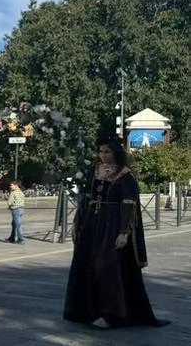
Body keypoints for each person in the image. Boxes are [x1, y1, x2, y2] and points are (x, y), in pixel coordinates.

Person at [63, 132, 170, 328]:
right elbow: (86, 198)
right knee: (87, 265)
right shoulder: (93, 170)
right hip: (92, 224)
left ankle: (112, 314)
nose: (103, 155)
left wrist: (124, 232)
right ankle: (86, 310)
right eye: (101, 151)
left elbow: (129, 204)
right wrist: (77, 223)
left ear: (116, 152)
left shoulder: (125, 174)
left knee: (107, 268)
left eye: (107, 151)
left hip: (112, 224)